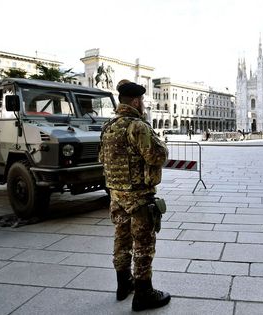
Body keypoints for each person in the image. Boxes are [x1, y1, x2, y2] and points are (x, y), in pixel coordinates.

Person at [99, 81, 171, 311]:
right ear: (137, 102)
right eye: (143, 102)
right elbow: (157, 156)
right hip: (139, 197)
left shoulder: (109, 127)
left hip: (116, 195)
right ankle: (144, 293)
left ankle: (123, 284)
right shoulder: (137, 127)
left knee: (121, 240)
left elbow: (103, 159)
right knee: (143, 244)